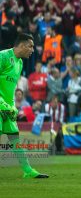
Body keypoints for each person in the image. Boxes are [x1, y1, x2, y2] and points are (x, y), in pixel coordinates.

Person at [0, 33, 48, 178]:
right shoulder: (3, 56)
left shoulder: (20, 63)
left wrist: (12, 106)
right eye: (30, 46)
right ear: (21, 45)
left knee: (14, 137)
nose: (32, 50)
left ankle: (27, 171)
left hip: (7, 107)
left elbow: (10, 88)